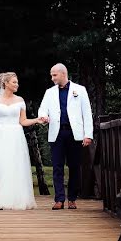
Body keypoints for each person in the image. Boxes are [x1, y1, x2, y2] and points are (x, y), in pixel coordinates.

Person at [0, 72, 47, 210]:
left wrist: (37, 120)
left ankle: (12, 199)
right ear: (6, 83)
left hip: (16, 136)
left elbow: (23, 121)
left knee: (14, 166)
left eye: (17, 82)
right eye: (14, 82)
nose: (17, 84)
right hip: (0, 136)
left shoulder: (20, 101)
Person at [37, 64, 93, 210]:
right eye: (51, 75)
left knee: (75, 167)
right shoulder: (49, 92)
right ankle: (59, 199)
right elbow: (42, 109)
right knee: (57, 167)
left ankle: (72, 199)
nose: (52, 78)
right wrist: (43, 116)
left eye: (54, 75)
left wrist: (88, 134)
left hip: (75, 134)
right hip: (57, 133)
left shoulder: (80, 90)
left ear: (63, 74)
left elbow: (87, 113)